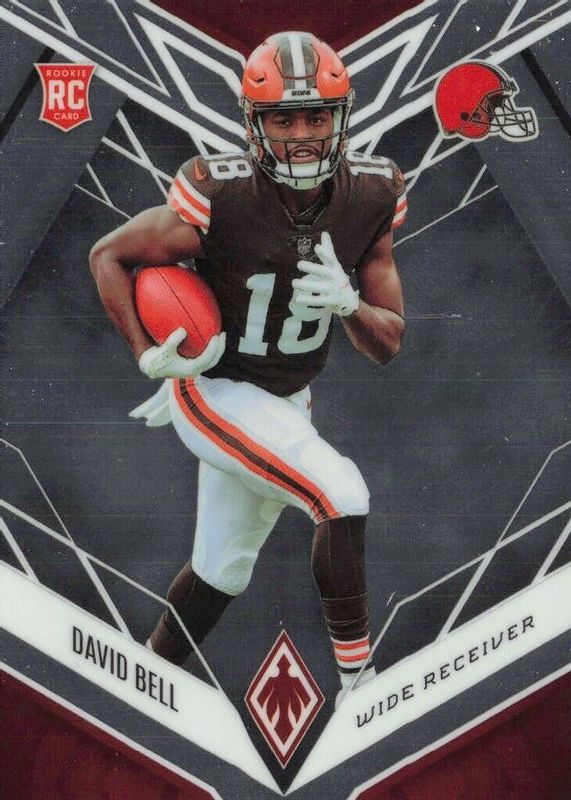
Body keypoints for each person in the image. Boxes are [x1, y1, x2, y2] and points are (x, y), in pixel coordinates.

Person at [89, 31, 407, 703]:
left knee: (220, 571)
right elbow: (109, 254)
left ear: (342, 116)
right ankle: (359, 689)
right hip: (215, 387)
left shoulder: (373, 192)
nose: (302, 136)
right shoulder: (221, 192)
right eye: (283, 120)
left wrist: (350, 304)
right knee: (341, 494)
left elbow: (387, 343)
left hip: (287, 401)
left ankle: (145, 681)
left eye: (316, 117)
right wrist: (146, 353)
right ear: (253, 124)